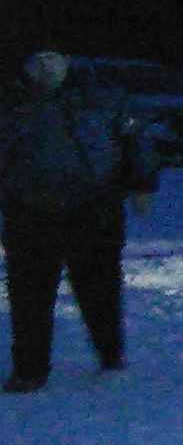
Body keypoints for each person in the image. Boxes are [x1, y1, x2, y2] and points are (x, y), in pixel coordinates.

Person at [1, 50, 157, 392]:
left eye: (51, 58)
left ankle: (110, 355)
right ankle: (29, 368)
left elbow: (135, 137)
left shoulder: (102, 94)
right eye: (36, 60)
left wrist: (142, 183)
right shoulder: (10, 100)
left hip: (94, 207)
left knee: (99, 287)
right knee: (29, 295)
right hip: (29, 209)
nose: (44, 68)